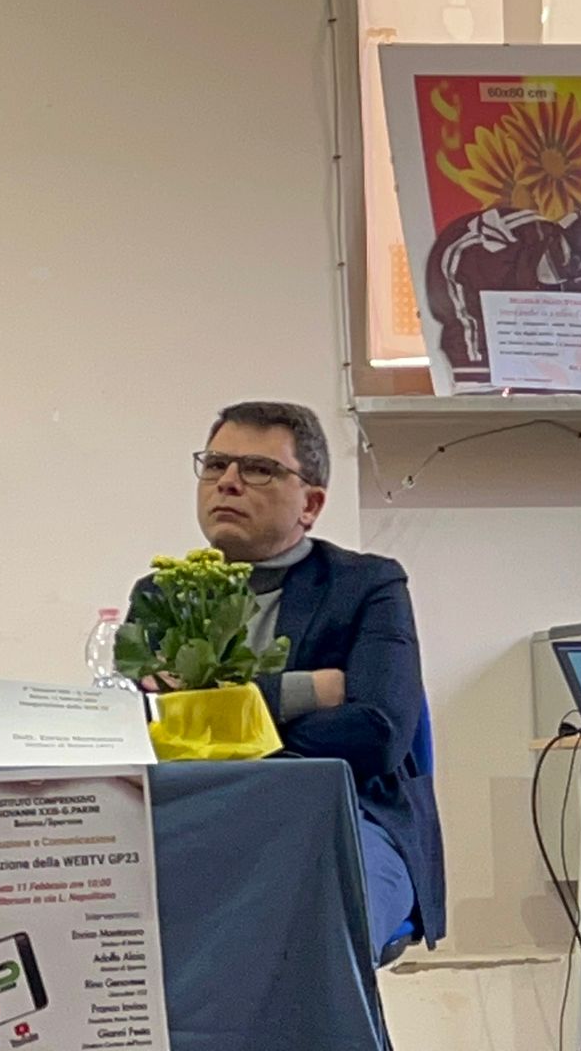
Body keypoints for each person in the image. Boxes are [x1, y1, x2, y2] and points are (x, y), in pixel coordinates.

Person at [135, 401, 445, 950]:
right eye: (216, 464)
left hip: (345, 818)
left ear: (311, 504)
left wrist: (209, 720)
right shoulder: (164, 594)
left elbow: (378, 734)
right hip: (200, 818)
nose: (228, 482)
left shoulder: (366, 585)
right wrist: (299, 692)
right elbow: (137, 727)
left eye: (259, 469)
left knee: (306, 930)